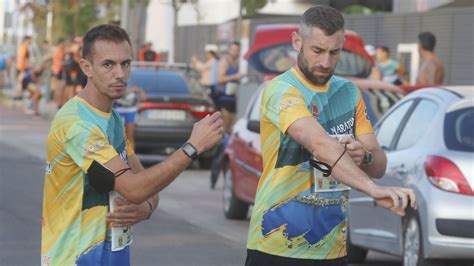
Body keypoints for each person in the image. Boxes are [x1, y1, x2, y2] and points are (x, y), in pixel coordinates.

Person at [245, 6, 417, 266]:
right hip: (277, 244)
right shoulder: (281, 89)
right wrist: (372, 189)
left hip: (332, 249)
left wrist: (364, 155)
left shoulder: (349, 92)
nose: (326, 62)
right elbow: (319, 144)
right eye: (317, 51)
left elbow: (379, 165)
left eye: (334, 52)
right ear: (297, 42)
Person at [41, 24, 223, 265]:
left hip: (112, 254)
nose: (120, 73)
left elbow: (147, 187)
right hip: (75, 258)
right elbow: (135, 188)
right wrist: (192, 147)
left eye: (125, 64)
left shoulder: (112, 117)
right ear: (87, 67)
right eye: (108, 64)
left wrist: (146, 207)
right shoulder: (78, 124)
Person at [216, 41, 242, 134]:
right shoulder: (224, 62)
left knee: (230, 125)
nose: (236, 52)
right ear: (229, 50)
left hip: (232, 97)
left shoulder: (235, 63)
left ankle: (226, 145)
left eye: (238, 50)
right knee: (225, 124)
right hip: (223, 98)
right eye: (234, 50)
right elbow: (220, 79)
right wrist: (235, 77)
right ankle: (221, 146)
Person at [115, 85, 146, 150]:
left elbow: (143, 98)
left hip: (131, 112)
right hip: (118, 111)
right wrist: (130, 90)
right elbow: (117, 95)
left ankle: (130, 158)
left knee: (130, 137)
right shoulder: (117, 81)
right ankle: (118, 157)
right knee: (118, 137)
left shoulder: (135, 84)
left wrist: (140, 93)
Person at [50, 38, 66, 108]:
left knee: (58, 87)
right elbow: (59, 61)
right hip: (58, 70)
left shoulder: (59, 51)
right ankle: (58, 103)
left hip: (57, 70)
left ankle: (58, 102)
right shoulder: (58, 51)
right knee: (59, 87)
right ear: (60, 43)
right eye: (63, 44)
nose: (64, 45)